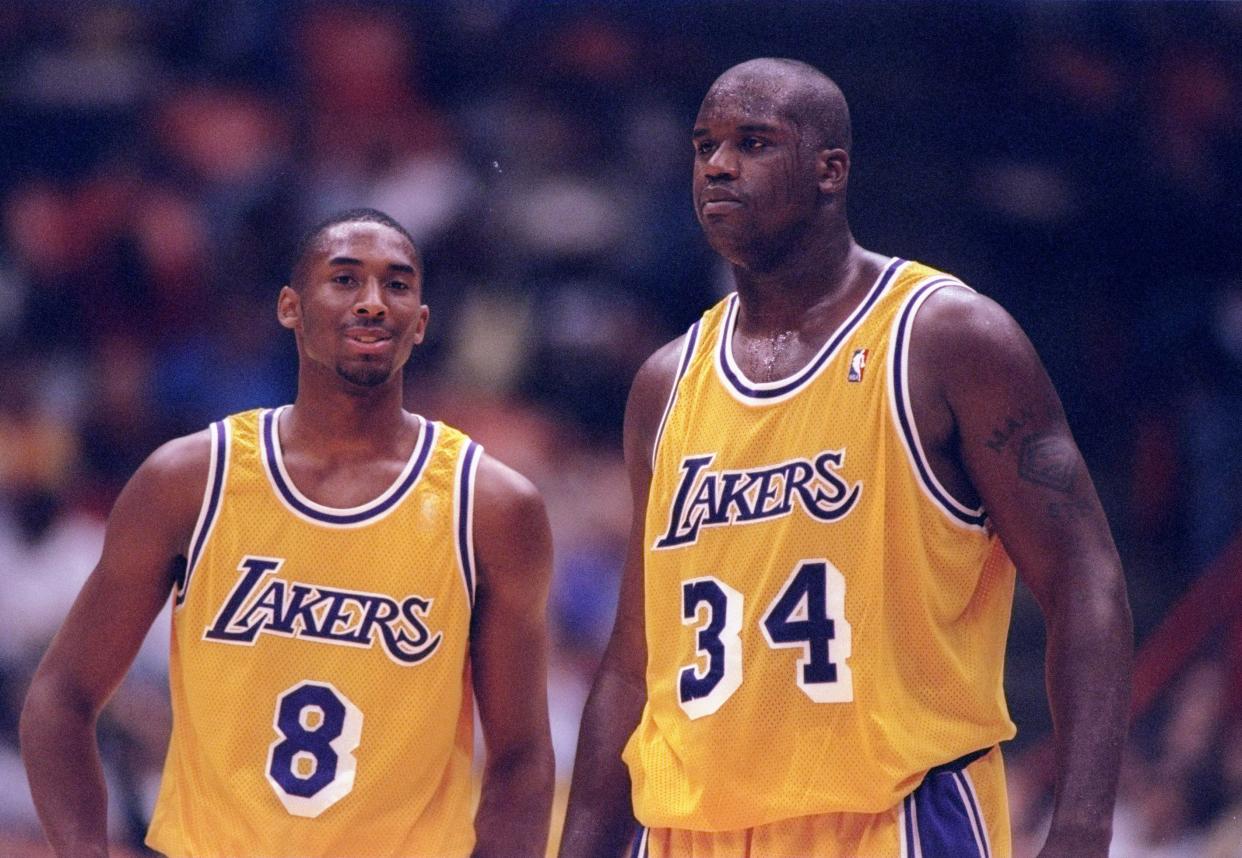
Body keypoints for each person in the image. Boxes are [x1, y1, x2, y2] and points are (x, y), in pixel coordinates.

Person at [559, 59, 1132, 858]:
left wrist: (1079, 828)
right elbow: (633, 664)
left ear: (831, 169)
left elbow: (1085, 577)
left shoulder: (947, 338)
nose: (718, 164)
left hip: (891, 818)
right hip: (689, 828)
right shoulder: (667, 382)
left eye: (753, 142)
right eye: (705, 145)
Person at [21, 208, 555, 858]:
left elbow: (523, 760)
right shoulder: (189, 482)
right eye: (344, 279)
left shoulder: (492, 508)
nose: (371, 302)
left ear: (420, 322)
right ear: (290, 308)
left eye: (396, 284)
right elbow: (60, 697)